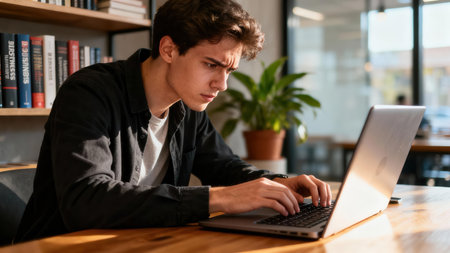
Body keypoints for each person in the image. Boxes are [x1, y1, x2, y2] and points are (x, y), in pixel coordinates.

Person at [15, 0, 331, 242]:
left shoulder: (189, 106)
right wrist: (216, 198)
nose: (221, 84)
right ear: (168, 49)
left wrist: (276, 183)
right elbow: (87, 200)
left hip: (139, 243)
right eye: (211, 65)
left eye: (229, 71)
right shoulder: (89, 93)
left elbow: (225, 166)